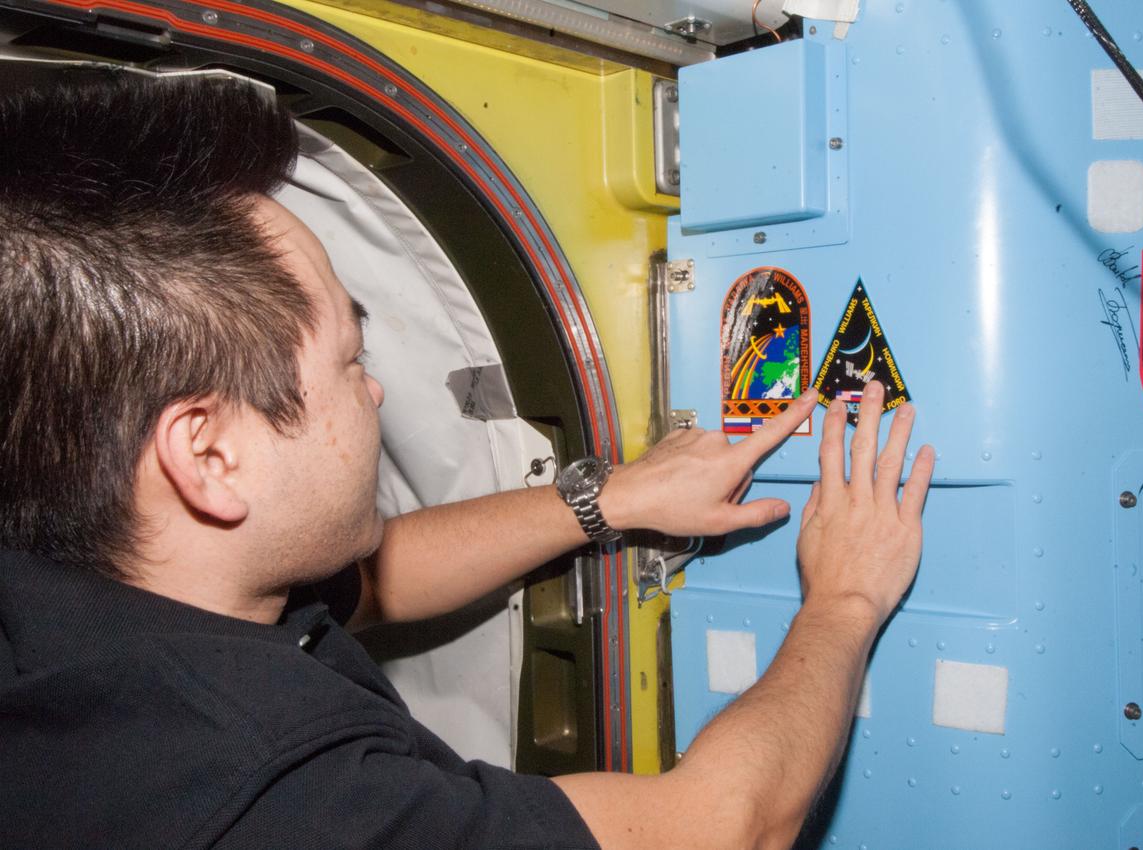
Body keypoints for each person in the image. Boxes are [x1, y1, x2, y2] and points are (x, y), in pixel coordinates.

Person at [0, 68, 934, 849]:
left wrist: (614, 496)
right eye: (349, 360)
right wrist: (845, 599)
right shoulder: (270, 802)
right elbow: (720, 827)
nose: (373, 392)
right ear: (208, 453)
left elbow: (379, 586)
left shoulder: (90, 598)